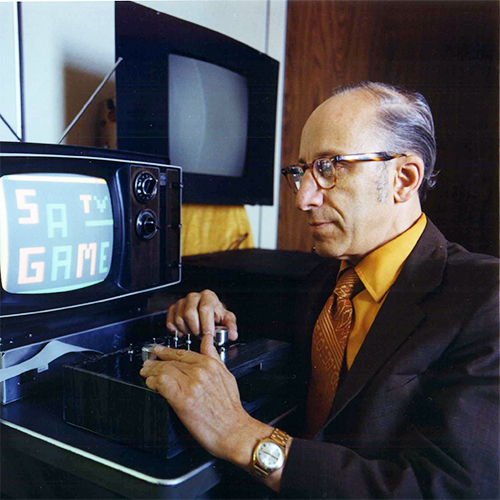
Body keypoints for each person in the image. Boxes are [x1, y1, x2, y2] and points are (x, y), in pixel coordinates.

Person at [140, 82, 499, 498]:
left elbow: (444, 490)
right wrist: (209, 309)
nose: (303, 198)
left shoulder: (484, 300)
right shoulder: (326, 280)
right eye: (300, 172)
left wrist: (241, 434)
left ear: (403, 178)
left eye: (329, 168)